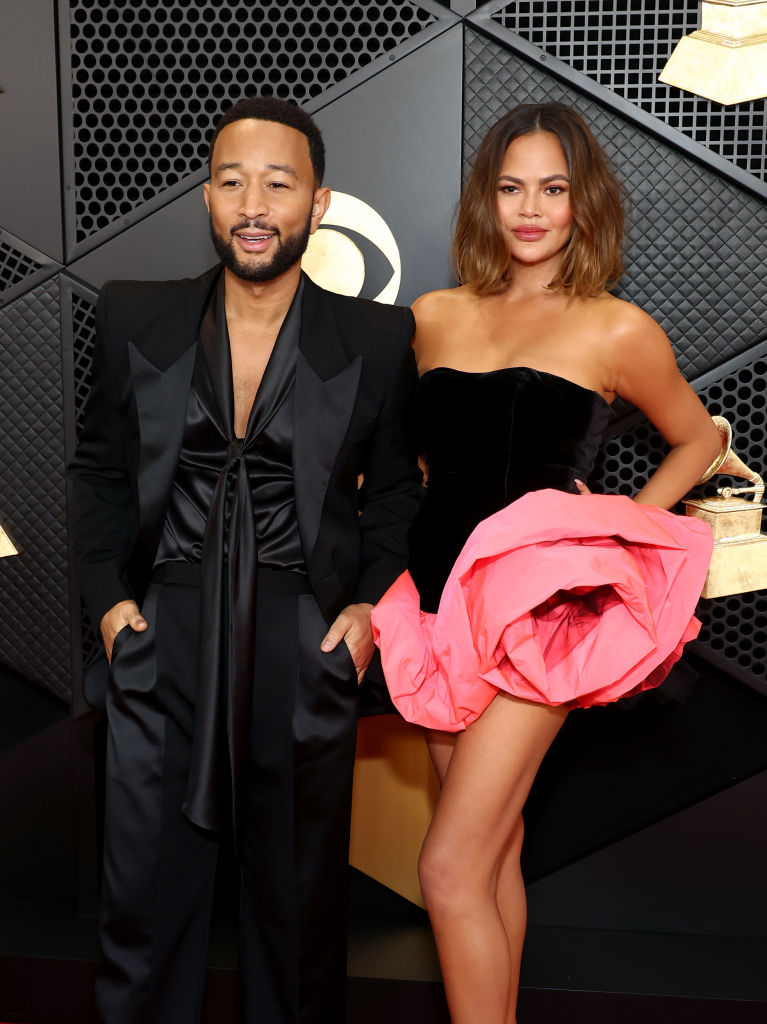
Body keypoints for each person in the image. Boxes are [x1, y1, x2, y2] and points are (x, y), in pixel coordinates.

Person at [69, 95, 422, 1024]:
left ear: (319, 202)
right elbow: (98, 471)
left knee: (298, 909)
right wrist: (109, 604)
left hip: (303, 635)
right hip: (162, 630)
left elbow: (395, 493)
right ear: (207, 198)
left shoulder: (378, 338)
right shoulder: (133, 314)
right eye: (232, 182)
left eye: (278, 183)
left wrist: (366, 610)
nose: (254, 205)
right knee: (143, 898)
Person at [371, 103, 721, 1024]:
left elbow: (697, 440)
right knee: (491, 854)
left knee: (446, 867)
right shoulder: (431, 316)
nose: (530, 209)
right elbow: (410, 458)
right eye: (510, 187)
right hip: (436, 601)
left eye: (552, 189)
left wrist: (615, 531)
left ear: (582, 202)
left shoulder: (616, 329)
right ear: (485, 201)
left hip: (540, 619)